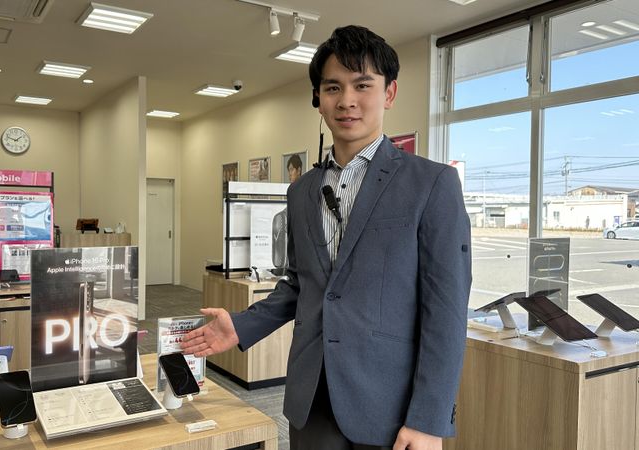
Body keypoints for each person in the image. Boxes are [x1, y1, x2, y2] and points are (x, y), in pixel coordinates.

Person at [182, 25, 471, 450]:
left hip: (390, 406)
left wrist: (429, 419)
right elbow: (301, 285)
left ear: (389, 93)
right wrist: (241, 326)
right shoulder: (301, 191)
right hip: (311, 396)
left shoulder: (431, 184)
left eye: (362, 85)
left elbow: (446, 311)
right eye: (333, 87)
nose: (347, 100)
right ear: (318, 99)